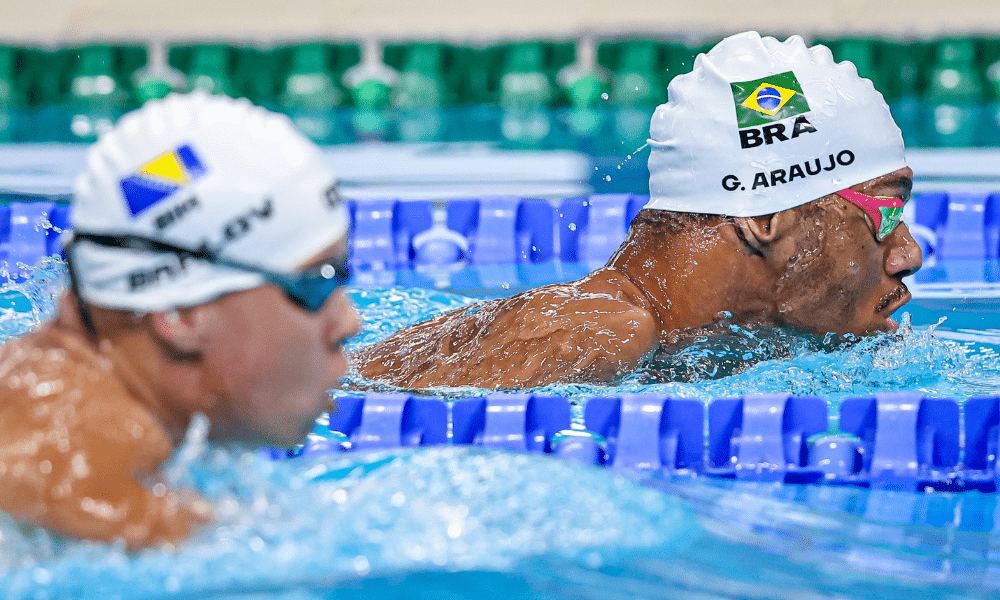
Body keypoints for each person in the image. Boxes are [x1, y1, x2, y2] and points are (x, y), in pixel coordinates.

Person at [355, 31, 922, 389]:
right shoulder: (598, 332)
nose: (909, 254)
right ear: (766, 220)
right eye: (887, 215)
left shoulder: (713, 342)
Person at [0, 93, 360, 548]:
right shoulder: (85, 500)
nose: (350, 322)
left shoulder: (48, 395)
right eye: (316, 283)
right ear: (183, 313)